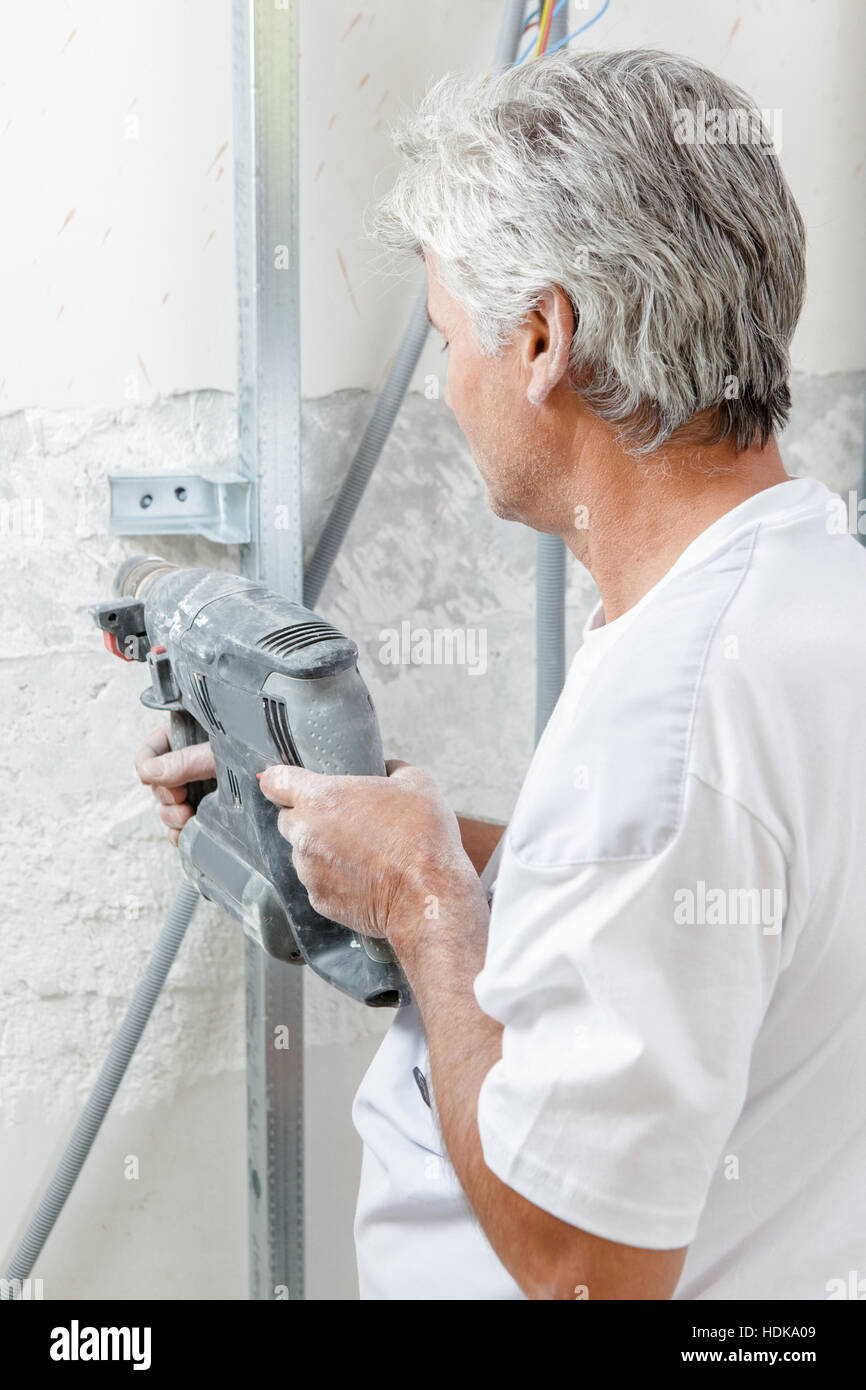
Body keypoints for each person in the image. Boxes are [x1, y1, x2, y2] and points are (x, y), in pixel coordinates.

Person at [136, 50, 866, 1300]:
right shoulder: (804, 590)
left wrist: (423, 897)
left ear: (541, 337)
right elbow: (690, 901)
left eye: (443, 336)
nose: (443, 387)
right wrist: (420, 844)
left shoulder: (672, 707)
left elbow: (591, 1268)